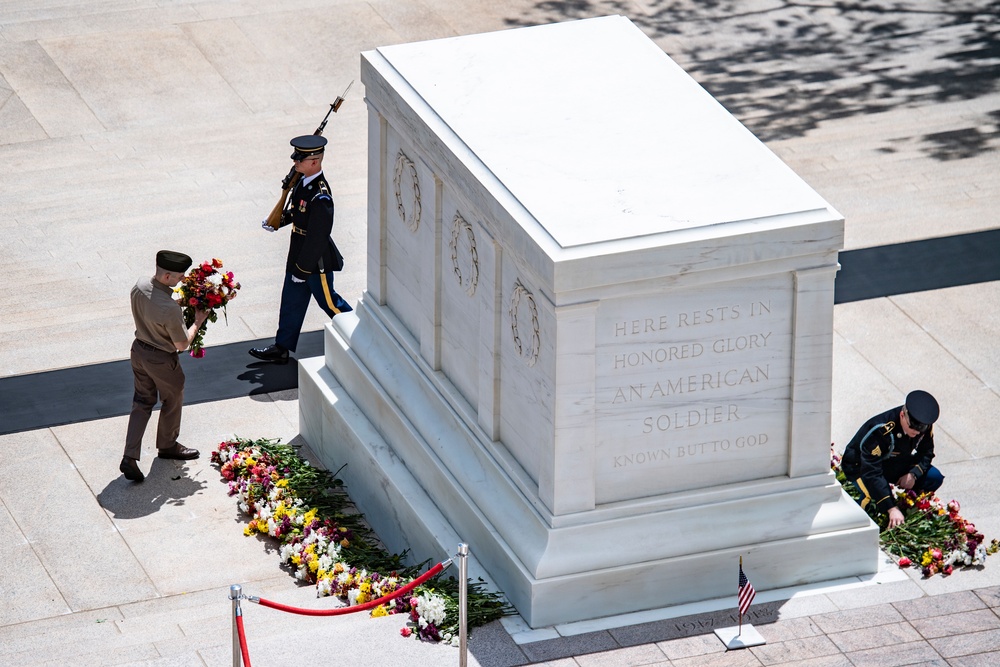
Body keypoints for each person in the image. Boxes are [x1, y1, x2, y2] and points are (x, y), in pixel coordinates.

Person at [250, 135, 352, 364]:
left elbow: (317, 238)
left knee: (330, 302)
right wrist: (277, 221)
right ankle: (282, 347)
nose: (295, 162)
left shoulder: (321, 195)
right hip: (297, 256)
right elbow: (298, 213)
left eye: (300, 159)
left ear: (314, 162)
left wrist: (302, 271)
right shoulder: (301, 183)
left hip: (315, 262)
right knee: (291, 303)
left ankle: (360, 335)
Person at [120, 251, 209, 483]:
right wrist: (197, 321)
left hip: (138, 351)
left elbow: (154, 307)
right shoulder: (170, 310)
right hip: (161, 360)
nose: (182, 280)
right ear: (168, 275)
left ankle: (129, 455)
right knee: (172, 399)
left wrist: (177, 303)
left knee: (142, 401)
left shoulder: (139, 285)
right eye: (180, 276)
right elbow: (181, 344)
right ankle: (168, 445)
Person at [840, 390, 944, 528]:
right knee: (869, 497)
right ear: (902, 415)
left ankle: (908, 506)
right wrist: (891, 508)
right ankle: (859, 526)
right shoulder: (881, 430)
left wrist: (913, 474)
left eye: (921, 429)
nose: (917, 432)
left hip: (892, 462)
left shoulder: (923, 426)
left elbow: (926, 452)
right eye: (913, 427)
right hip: (860, 466)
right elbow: (872, 472)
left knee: (933, 477)